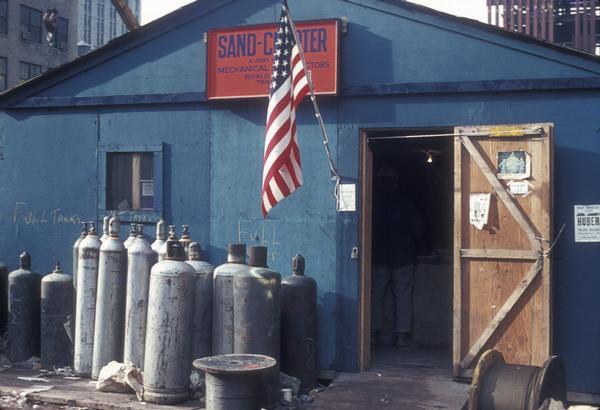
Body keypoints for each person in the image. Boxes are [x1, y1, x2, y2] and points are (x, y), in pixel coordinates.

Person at [371, 166, 423, 348]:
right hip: (403, 258)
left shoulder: (372, 202)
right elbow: (418, 230)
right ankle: (402, 337)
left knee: (375, 297)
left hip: (378, 257)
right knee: (403, 297)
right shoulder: (405, 202)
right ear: (396, 181)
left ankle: (371, 334)